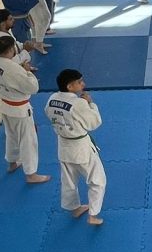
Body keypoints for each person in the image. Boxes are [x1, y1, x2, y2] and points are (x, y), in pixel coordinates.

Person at [45, 69, 107, 225]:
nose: (83, 84)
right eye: (79, 82)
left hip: (63, 145)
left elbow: (48, 113)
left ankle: (74, 208)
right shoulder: (78, 103)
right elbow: (94, 123)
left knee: (68, 180)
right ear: (70, 86)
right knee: (97, 180)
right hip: (80, 147)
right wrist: (90, 103)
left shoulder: (52, 99)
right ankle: (93, 215)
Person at [0, 36, 50, 184]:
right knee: (28, 140)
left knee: (11, 135)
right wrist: (28, 72)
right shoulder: (15, 70)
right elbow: (33, 88)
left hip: (5, 105)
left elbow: (7, 69)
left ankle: (12, 163)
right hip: (19, 109)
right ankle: (31, 174)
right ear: (11, 49)